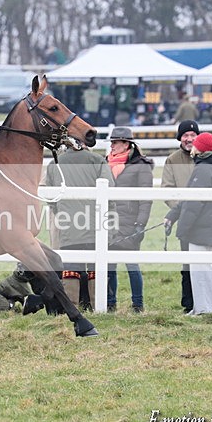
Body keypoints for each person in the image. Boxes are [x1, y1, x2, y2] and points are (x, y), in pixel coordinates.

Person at [161, 120, 212, 314]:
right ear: (180, 138)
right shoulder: (173, 160)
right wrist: (180, 211)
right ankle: (190, 304)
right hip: (188, 219)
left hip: (208, 220)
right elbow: (167, 189)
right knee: (188, 265)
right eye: (185, 135)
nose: (189, 138)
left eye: (193, 135)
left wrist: (210, 203)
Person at [164, 132, 212, 315]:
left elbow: (193, 203)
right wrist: (172, 215)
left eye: (196, 144)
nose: (193, 146)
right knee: (202, 268)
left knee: (200, 270)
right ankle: (205, 308)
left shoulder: (203, 169)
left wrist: (182, 230)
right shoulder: (208, 167)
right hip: (206, 227)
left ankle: (205, 310)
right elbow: (189, 199)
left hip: (202, 228)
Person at [45, 138, 110, 310]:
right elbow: (110, 191)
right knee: (96, 268)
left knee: (71, 267)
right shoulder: (97, 160)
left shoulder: (54, 163)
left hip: (68, 224)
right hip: (96, 225)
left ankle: (72, 307)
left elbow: (50, 197)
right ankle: (98, 307)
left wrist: (60, 213)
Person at [105, 127, 154, 313]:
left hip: (130, 221)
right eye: (111, 143)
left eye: (115, 142)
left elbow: (145, 199)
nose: (112, 146)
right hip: (109, 221)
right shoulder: (105, 163)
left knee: (131, 264)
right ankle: (110, 302)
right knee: (109, 265)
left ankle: (138, 304)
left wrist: (141, 224)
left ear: (126, 144)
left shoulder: (141, 166)